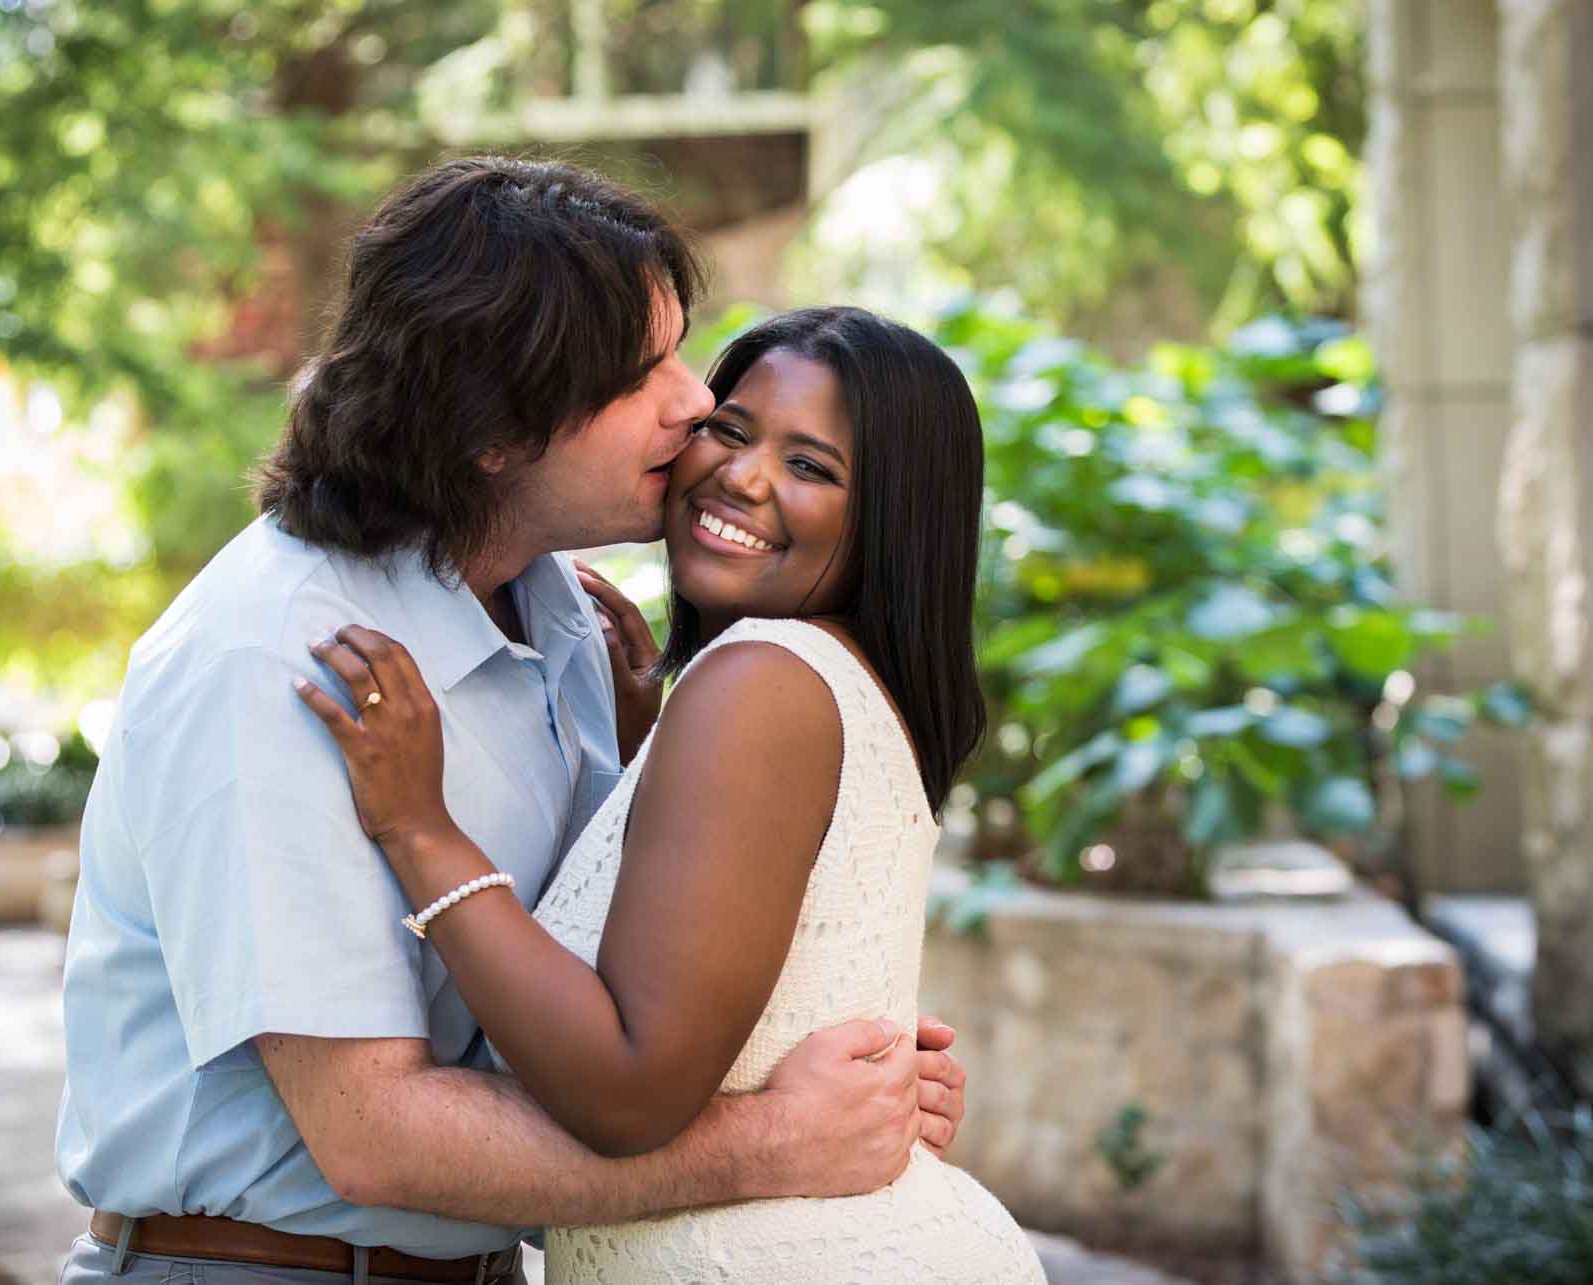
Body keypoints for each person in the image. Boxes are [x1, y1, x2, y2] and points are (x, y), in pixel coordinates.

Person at [55, 159, 968, 1285]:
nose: (693, 405)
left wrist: (838, 1035)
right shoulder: (285, 661)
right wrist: (781, 1141)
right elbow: (374, 1134)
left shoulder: (569, 625)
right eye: (642, 375)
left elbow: (609, 984)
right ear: (492, 430)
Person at [295, 307, 1045, 1282]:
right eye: (729, 430)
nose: (741, 474)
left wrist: (420, 827)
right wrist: (643, 738)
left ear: (891, 519)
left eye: (811, 466)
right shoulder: (805, 680)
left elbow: (628, 1094)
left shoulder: (761, 682)